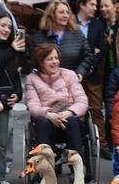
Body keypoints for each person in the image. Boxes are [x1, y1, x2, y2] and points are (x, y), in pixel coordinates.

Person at [24, 43, 89, 175]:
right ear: (40, 62)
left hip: (71, 120)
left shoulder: (69, 75)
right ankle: (43, 172)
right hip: (47, 123)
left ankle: (79, 172)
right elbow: (33, 106)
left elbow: (82, 101)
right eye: (50, 59)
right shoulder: (32, 79)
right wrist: (48, 114)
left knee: (71, 122)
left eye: (56, 58)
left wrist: (68, 113)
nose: (55, 62)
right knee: (42, 122)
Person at [0, 11, 27, 184]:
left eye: (9, 27)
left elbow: (15, 75)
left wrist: (18, 94)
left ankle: (0, 177)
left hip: (5, 103)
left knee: (2, 145)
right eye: (3, 25)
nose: (6, 29)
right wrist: (12, 50)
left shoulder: (11, 47)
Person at [29, 0, 92, 81]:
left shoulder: (77, 34)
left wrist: (80, 73)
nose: (65, 15)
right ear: (52, 14)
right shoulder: (39, 37)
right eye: (61, 12)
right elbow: (30, 61)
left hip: (72, 83)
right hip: (47, 85)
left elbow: (88, 56)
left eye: (67, 12)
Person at [76, 0, 107, 157]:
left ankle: (101, 145)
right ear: (82, 5)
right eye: (93, 4)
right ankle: (80, 143)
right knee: (77, 110)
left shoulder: (98, 25)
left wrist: (90, 65)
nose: (96, 8)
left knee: (96, 109)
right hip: (74, 75)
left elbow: (101, 48)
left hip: (92, 73)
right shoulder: (70, 23)